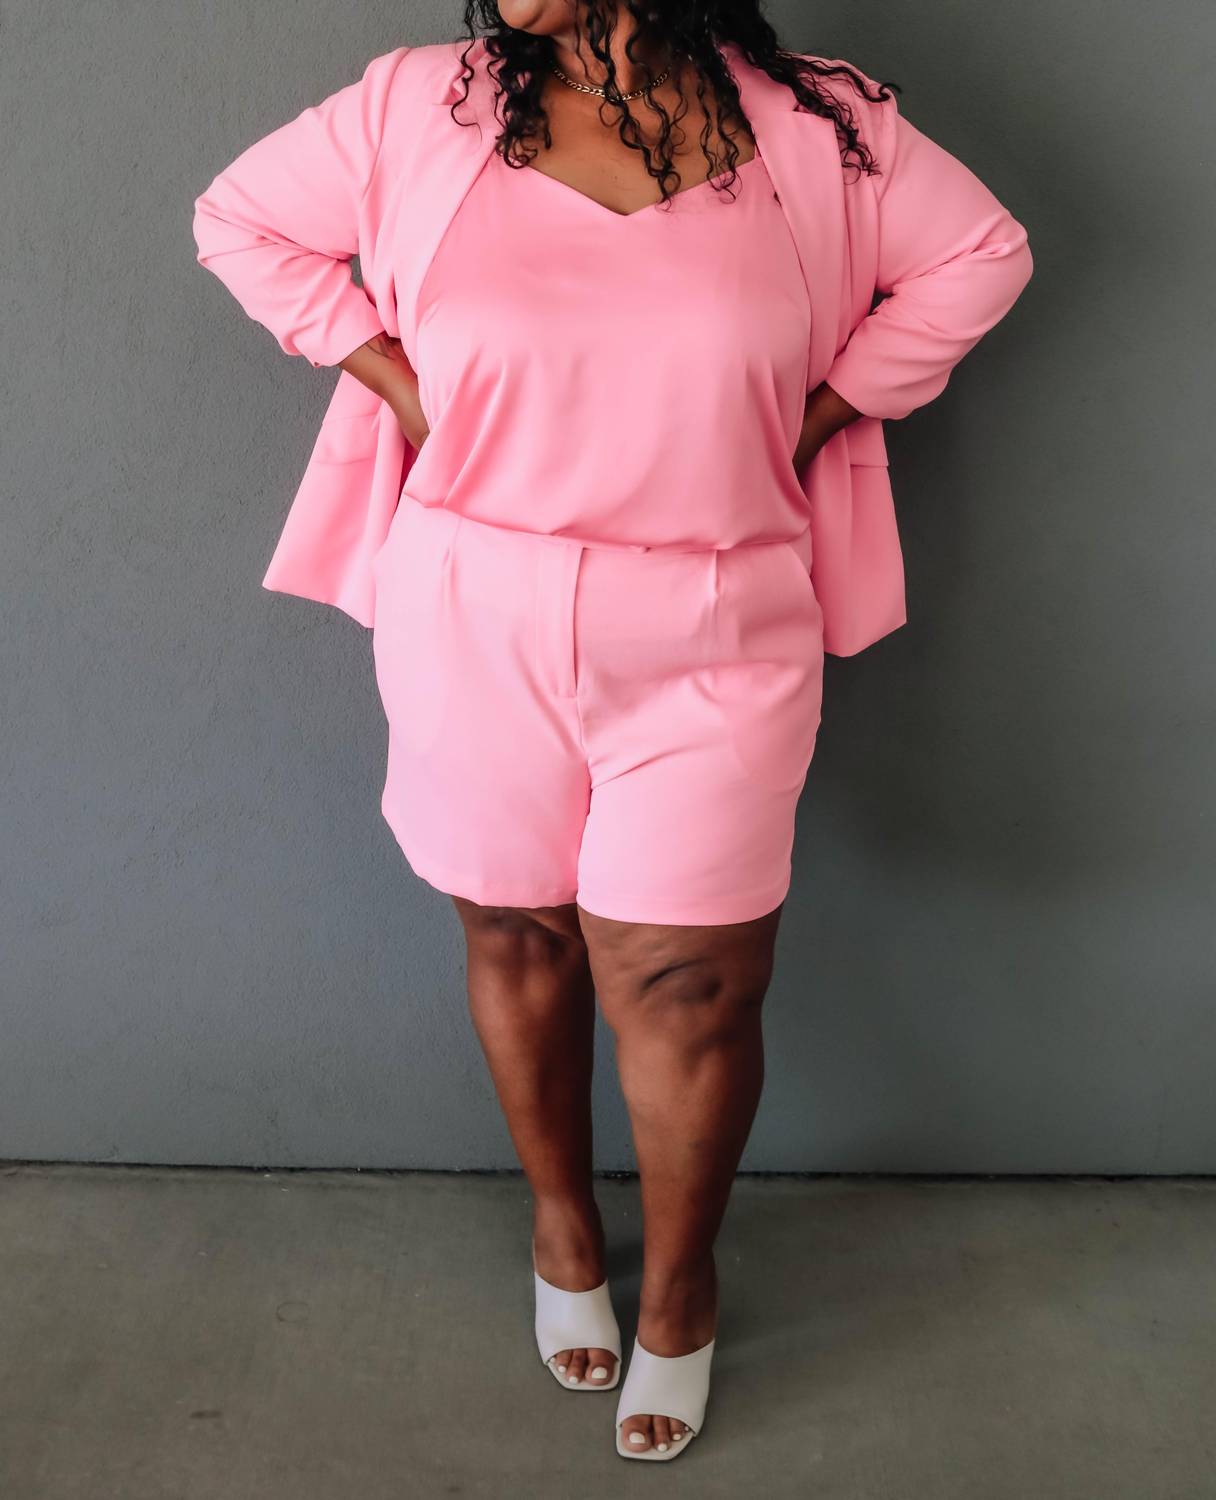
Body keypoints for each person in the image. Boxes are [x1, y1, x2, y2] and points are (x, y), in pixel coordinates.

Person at [192, 0, 1033, 1463]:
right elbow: (239, 219)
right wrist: (400, 384)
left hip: (719, 608)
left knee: (692, 980)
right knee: (518, 930)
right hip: (475, 599)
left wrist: (826, 411)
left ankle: (683, 1290)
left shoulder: (816, 125)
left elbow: (983, 253)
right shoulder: (423, 106)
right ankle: (564, 1227)